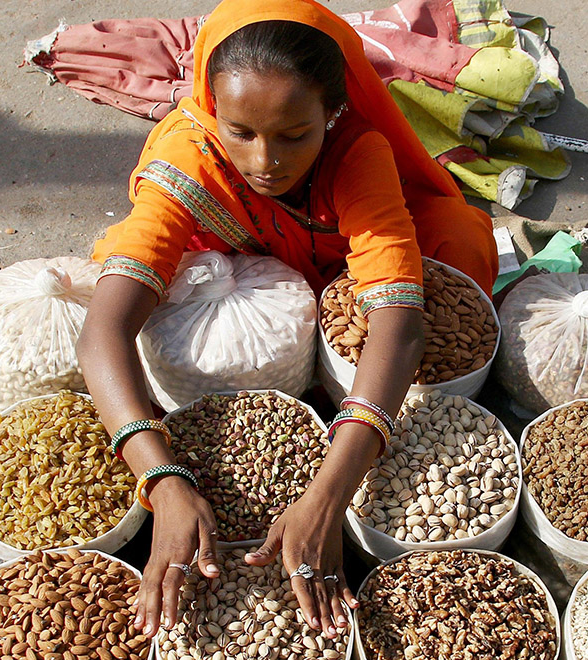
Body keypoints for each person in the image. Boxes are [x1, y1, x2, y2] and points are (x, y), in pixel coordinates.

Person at [76, 0, 497, 642]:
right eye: (240, 130)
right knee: (145, 274)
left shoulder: (357, 152)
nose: (264, 161)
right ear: (211, 107)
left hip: (333, 256)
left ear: (332, 114)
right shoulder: (190, 157)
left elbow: (399, 325)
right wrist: (160, 477)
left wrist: (331, 490)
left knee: (458, 240)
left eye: (294, 135)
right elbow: (103, 331)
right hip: (236, 259)